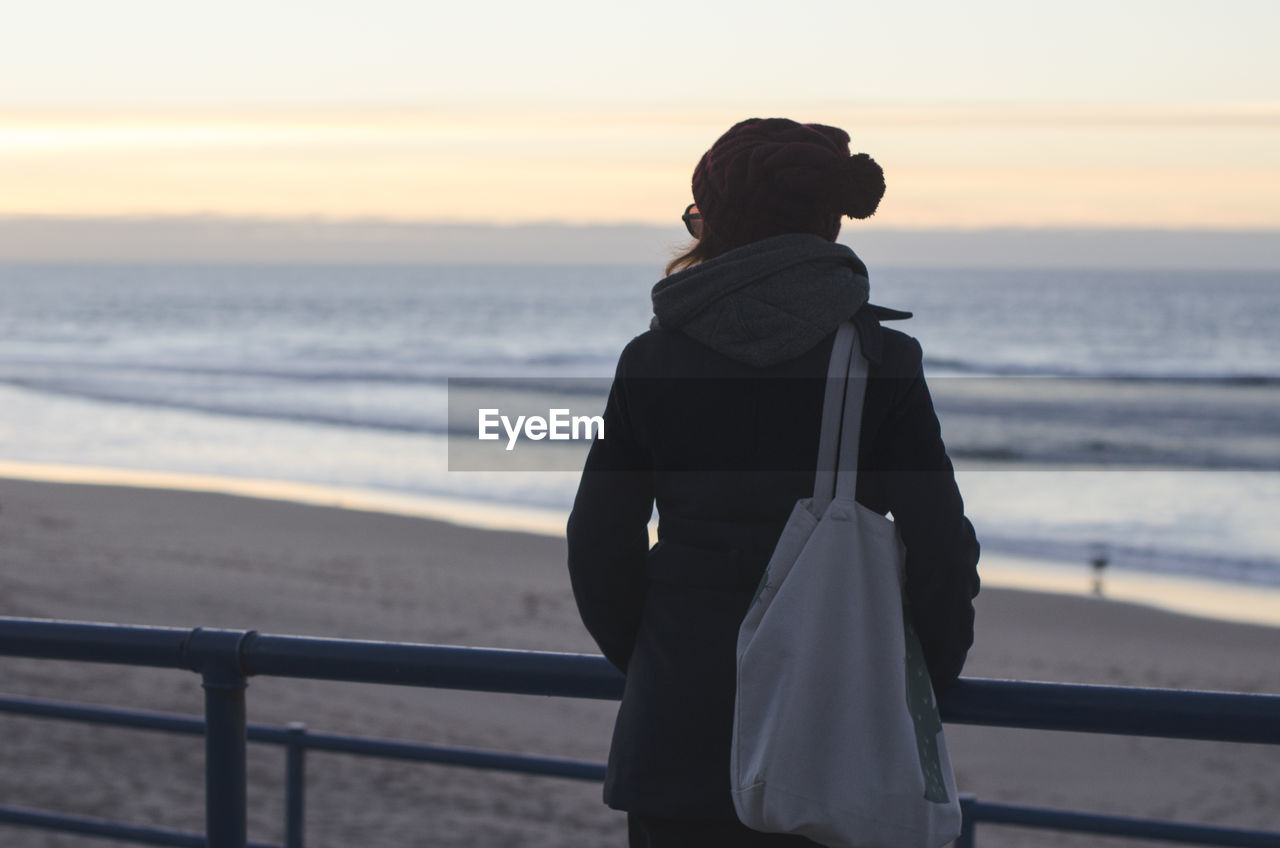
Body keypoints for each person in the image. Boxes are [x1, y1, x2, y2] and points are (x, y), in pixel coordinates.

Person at [567, 118, 980, 847]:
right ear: (828, 225)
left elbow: (599, 545)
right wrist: (914, 685)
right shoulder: (881, 364)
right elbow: (942, 551)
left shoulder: (651, 362)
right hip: (834, 727)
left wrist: (665, 658)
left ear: (716, 224)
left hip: (677, 740)